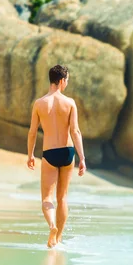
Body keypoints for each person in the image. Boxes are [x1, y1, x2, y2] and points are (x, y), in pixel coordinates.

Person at [27, 65, 86, 248]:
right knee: (63, 198)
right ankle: (58, 238)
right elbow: (75, 131)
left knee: (47, 199)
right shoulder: (70, 103)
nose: (67, 83)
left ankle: (52, 226)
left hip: (50, 153)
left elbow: (32, 132)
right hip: (68, 152)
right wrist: (82, 157)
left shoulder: (39, 103)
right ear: (61, 81)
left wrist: (30, 154)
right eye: (67, 80)